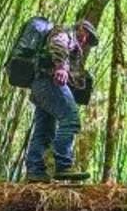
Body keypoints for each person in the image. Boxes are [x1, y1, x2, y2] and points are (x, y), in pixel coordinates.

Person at [25, 19, 98, 182]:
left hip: (41, 85)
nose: (85, 40)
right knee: (71, 120)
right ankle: (64, 165)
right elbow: (58, 44)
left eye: (89, 39)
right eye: (86, 34)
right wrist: (61, 67)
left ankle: (35, 170)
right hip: (50, 81)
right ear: (79, 28)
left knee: (44, 131)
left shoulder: (74, 45)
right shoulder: (64, 33)